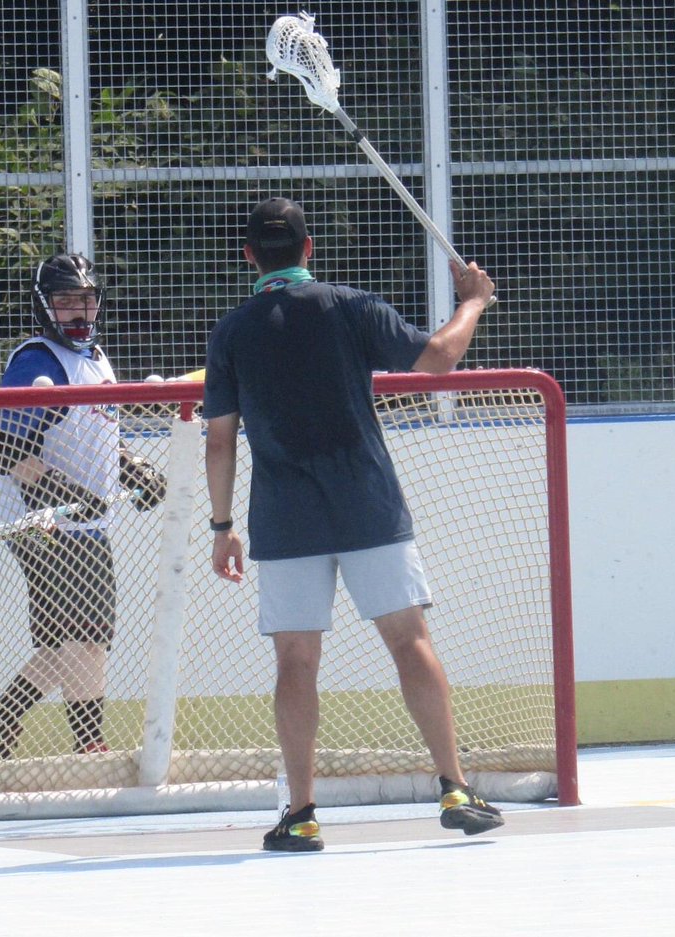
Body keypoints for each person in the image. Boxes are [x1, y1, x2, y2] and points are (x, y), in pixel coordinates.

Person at [203, 197, 502, 852]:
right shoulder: (353, 306)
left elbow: (220, 442)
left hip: (285, 517)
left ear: (249, 257)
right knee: (408, 639)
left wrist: (222, 524)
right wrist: (474, 299)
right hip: (367, 503)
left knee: (296, 660)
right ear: (310, 250)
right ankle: (454, 785)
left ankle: (303, 812)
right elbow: (438, 360)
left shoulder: (231, 332)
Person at [0, 252, 166, 760]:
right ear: (44, 307)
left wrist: (130, 465)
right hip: (47, 524)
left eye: (86, 300)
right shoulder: (39, 362)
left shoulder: (94, 361)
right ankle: (88, 745)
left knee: (72, 641)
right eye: (65, 302)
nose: (78, 312)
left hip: (79, 522)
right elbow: (2, 448)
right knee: (88, 637)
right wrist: (60, 491)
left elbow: (91, 436)